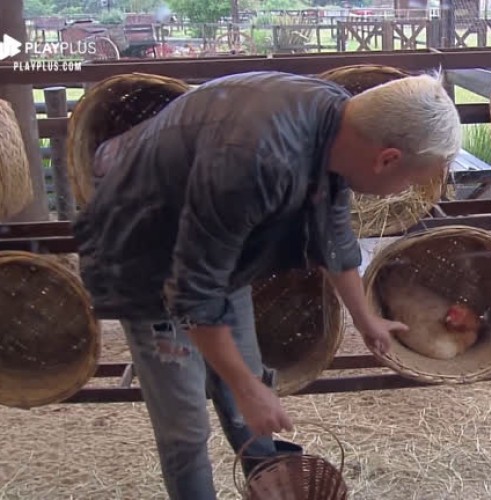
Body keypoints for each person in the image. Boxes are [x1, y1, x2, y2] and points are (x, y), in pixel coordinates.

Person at [71, 70, 462, 499]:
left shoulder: (341, 118)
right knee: (186, 426)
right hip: (145, 252)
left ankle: (268, 487)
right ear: (386, 159)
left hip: (217, 249)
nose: (404, 190)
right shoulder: (255, 159)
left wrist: (364, 317)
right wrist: (246, 388)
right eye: (411, 178)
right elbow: (193, 294)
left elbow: (332, 224)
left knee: (248, 393)